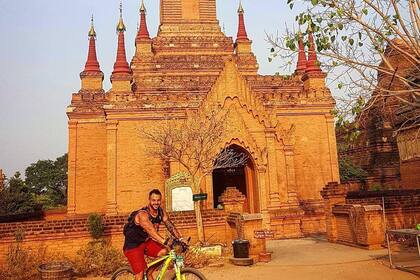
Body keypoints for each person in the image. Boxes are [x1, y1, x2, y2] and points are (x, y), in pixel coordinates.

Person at [123, 189, 182, 280]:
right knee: (139, 276)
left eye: (158, 200)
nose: (156, 203)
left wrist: (180, 239)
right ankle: (143, 274)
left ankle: (149, 272)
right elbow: (151, 231)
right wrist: (166, 241)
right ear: (149, 200)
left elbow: (170, 226)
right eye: (153, 200)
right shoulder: (143, 214)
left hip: (146, 242)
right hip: (133, 246)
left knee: (164, 252)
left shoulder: (160, 212)